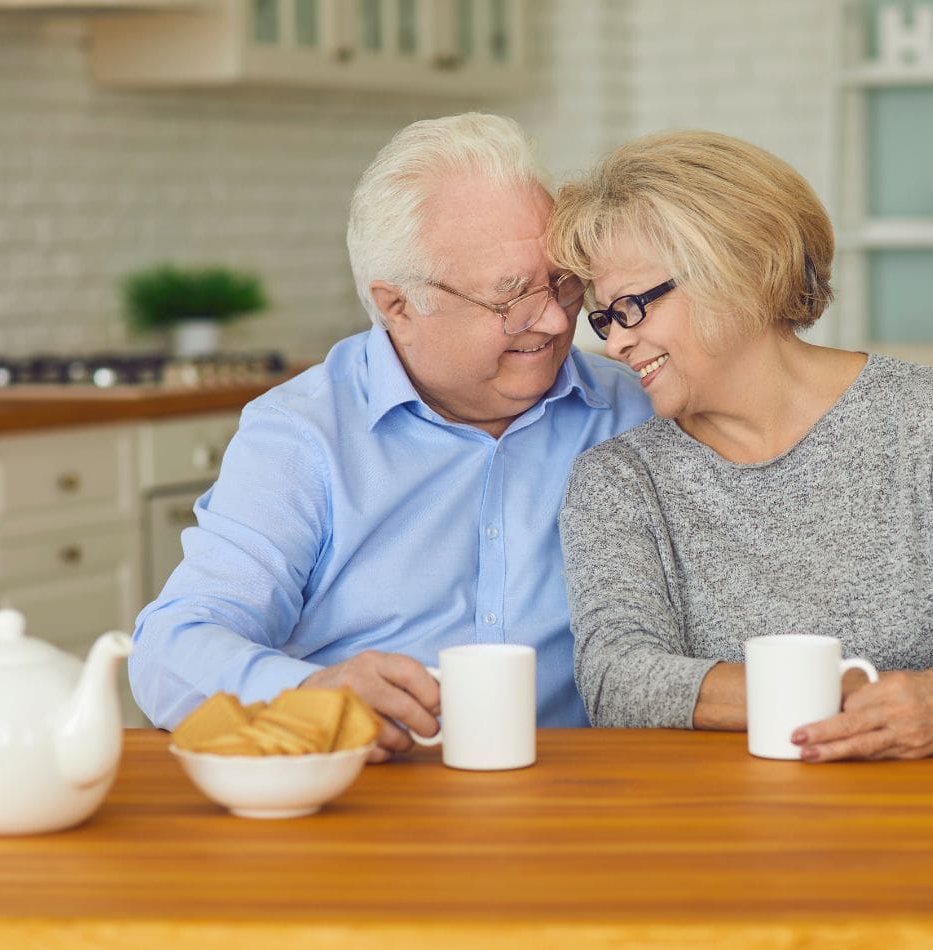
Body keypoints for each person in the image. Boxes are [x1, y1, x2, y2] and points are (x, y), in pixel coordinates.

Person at [547, 130, 933, 761]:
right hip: (723, 822)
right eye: (604, 318)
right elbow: (616, 679)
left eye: (633, 306)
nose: (614, 344)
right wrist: (831, 696)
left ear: (740, 270)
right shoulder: (619, 477)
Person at [130, 114, 651, 761]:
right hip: (372, 800)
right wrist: (309, 690)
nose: (551, 318)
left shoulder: (636, 407)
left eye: (563, 282)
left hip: (579, 791)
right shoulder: (304, 435)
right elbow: (172, 645)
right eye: (510, 296)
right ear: (398, 306)